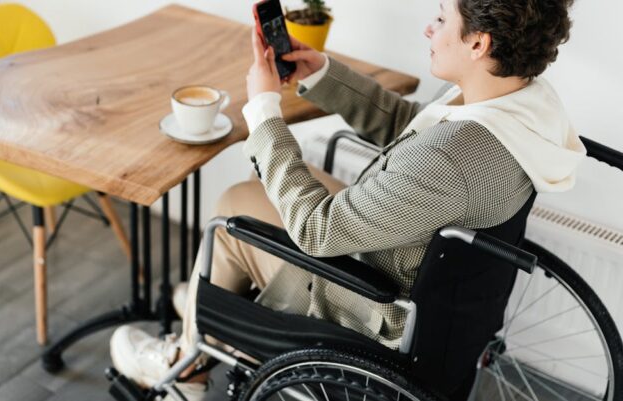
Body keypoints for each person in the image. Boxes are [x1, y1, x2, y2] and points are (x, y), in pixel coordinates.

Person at [110, 0, 584, 399]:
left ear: (479, 43)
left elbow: (317, 231)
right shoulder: (516, 101)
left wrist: (264, 111)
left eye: (441, 19)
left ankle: (185, 370)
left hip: (370, 301)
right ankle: (205, 306)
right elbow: (413, 129)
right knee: (267, 191)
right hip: (417, 264)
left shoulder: (458, 159)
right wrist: (325, 75)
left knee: (229, 218)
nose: (429, 28)